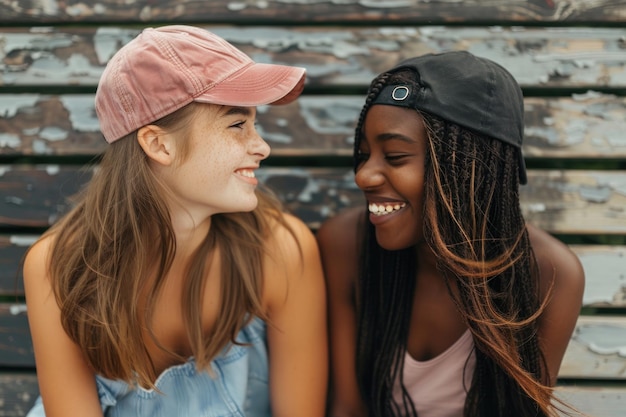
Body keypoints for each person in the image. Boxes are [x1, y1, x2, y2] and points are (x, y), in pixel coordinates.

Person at [23, 25, 327, 417]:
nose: (262, 147)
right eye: (237, 125)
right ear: (158, 144)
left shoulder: (281, 249)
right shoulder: (58, 266)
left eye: (256, 124)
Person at [316, 51, 585, 417]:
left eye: (394, 156)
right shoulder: (345, 244)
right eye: (364, 154)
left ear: (468, 168)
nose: (363, 175)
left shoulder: (550, 274)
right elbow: (347, 408)